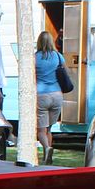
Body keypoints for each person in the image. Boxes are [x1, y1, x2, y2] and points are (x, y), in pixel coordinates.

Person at [32, 31, 66, 166]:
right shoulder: (58, 56)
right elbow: (65, 72)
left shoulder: (35, 58)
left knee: (41, 130)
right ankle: (47, 158)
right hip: (57, 95)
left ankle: (47, 148)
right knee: (49, 129)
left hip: (41, 96)